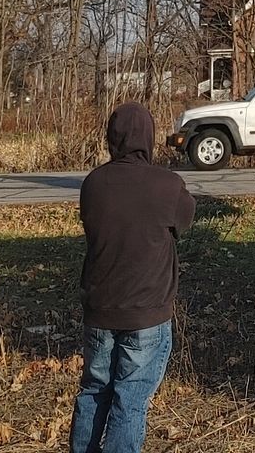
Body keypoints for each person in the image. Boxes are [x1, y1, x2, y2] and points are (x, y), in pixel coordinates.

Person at [71, 102, 196, 453]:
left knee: (94, 391)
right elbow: (185, 218)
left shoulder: (92, 184)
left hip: (99, 310)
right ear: (150, 138)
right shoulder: (167, 185)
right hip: (147, 314)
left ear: (111, 139)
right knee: (130, 400)